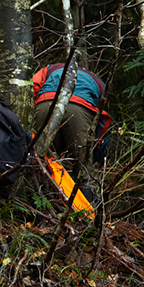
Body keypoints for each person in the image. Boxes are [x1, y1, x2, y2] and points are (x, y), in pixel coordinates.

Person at [32, 62, 111, 204]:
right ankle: (87, 217)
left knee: (40, 163)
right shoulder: (98, 81)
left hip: (46, 104)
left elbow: (32, 87)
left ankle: (39, 213)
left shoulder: (50, 68)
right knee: (84, 172)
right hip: (80, 109)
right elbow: (100, 118)